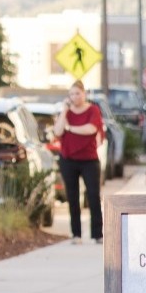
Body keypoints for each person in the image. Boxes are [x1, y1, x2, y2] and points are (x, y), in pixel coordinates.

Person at [53, 80, 104, 243]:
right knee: (72, 196)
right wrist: (64, 110)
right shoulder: (66, 112)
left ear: (84, 94)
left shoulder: (93, 110)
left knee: (93, 196)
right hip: (68, 159)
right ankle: (76, 234)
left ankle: (97, 233)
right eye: (71, 94)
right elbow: (58, 131)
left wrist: (71, 128)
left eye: (77, 93)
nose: (74, 97)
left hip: (89, 159)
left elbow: (90, 129)